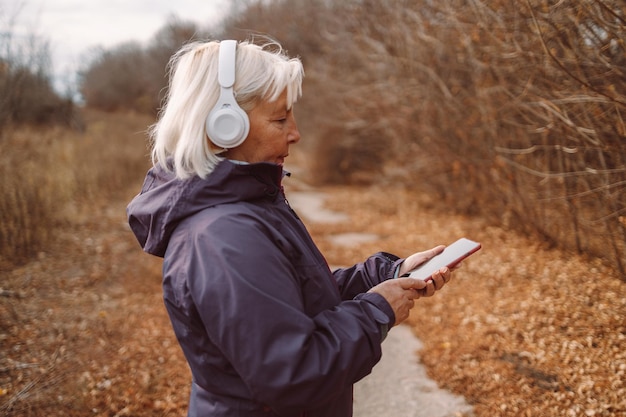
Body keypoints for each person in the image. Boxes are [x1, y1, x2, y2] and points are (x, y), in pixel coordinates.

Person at [127, 38, 453, 417]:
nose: (295, 132)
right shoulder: (222, 236)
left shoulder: (250, 206)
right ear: (224, 126)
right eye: (280, 119)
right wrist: (379, 309)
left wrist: (388, 274)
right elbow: (294, 374)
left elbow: (300, 298)